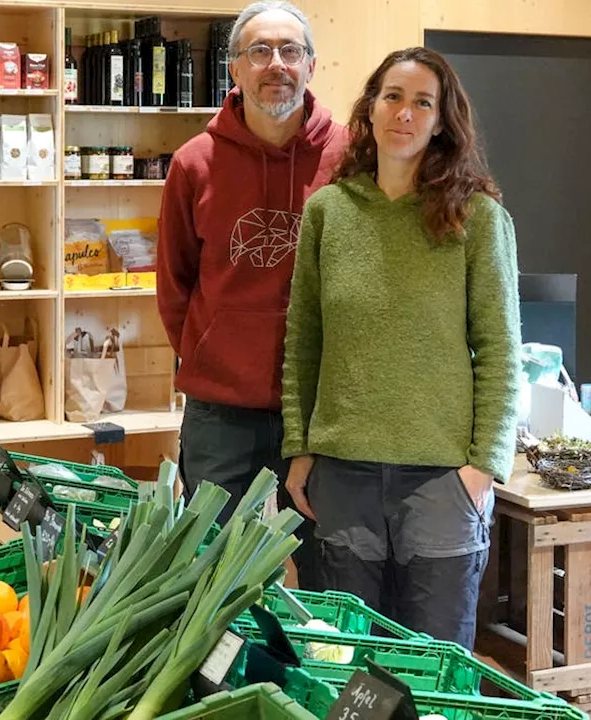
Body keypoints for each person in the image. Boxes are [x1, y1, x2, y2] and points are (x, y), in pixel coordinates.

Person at [280, 47, 522, 648]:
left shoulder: (478, 218)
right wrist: (299, 447)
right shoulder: (328, 213)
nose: (405, 114)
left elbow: (500, 350)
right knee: (345, 660)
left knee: (435, 664)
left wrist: (483, 467)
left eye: (422, 102)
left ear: (442, 120)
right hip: (343, 476)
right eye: (393, 96)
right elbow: (303, 343)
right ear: (371, 107)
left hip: (442, 480)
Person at [157, 1, 347, 591]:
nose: (276, 65)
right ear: (233, 69)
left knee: (327, 570)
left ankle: (316, 679)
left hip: (323, 412)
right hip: (222, 413)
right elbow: (174, 286)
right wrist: (216, 354)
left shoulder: (348, 159)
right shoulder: (194, 164)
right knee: (212, 573)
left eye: (291, 51)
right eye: (259, 51)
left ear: (311, 65)